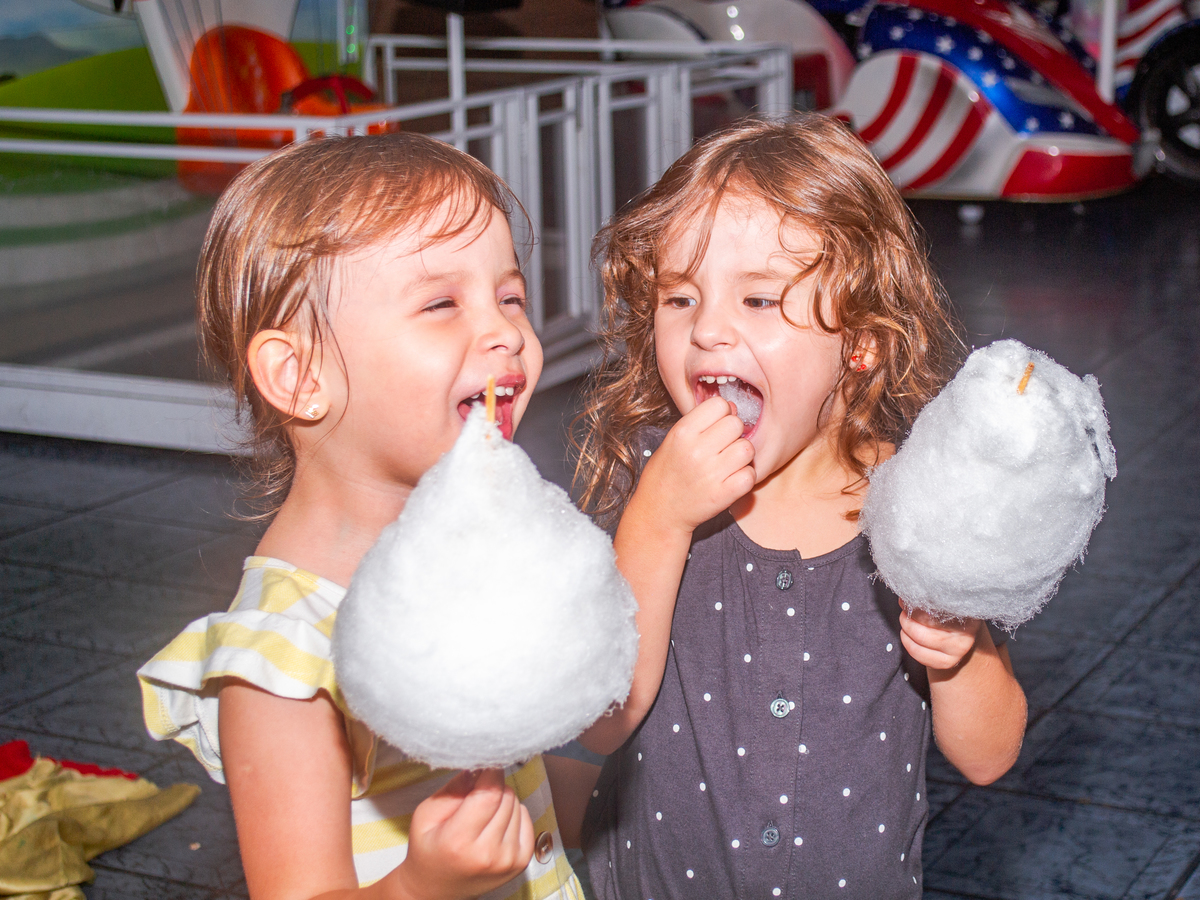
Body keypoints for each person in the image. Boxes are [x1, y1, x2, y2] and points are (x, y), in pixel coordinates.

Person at [571, 114, 1028, 899]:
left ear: (862, 341)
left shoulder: (919, 507)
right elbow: (600, 719)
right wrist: (660, 521)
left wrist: (961, 649)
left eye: (758, 298)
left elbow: (989, 757)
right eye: (679, 298)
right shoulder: (651, 482)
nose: (707, 330)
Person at [138, 133, 585, 900]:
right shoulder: (285, 661)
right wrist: (419, 886)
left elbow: (523, 783)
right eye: (442, 304)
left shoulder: (465, 557)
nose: (508, 332)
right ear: (300, 375)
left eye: (510, 297)